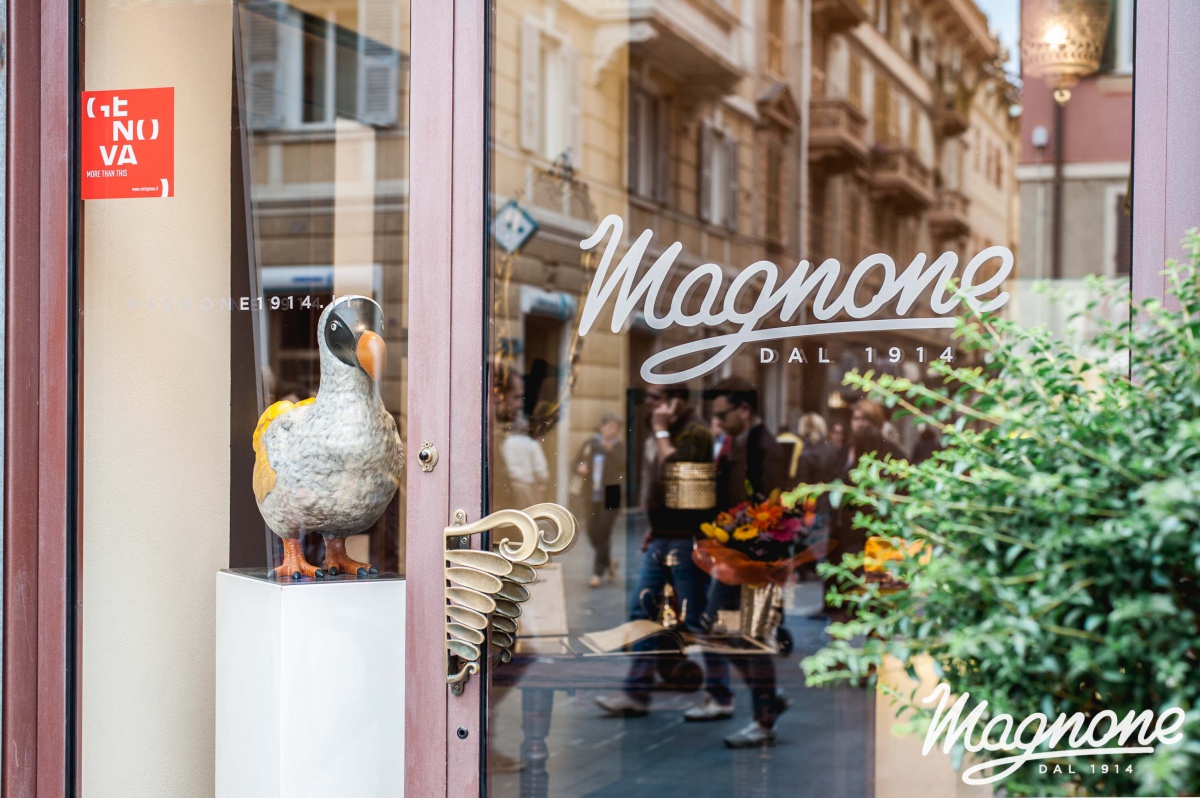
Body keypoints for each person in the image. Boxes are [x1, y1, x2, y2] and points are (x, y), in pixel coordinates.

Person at [595, 387, 714, 717]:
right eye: (647, 397)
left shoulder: (695, 432)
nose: (648, 403)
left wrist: (661, 431)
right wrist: (654, 524)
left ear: (676, 400)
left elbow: (678, 476)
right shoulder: (663, 432)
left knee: (697, 617)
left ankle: (728, 693)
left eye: (656, 397)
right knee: (642, 610)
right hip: (663, 535)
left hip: (686, 538)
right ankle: (636, 693)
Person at [685, 377, 790, 749]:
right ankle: (769, 697)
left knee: (749, 639)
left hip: (755, 562)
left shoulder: (765, 448)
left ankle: (764, 720)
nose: (717, 422)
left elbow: (771, 510)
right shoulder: (737, 444)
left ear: (744, 410)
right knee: (717, 631)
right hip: (734, 559)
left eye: (722, 414)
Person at [573, 414, 623, 587]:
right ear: (602, 427)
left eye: (615, 428)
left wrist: (610, 451)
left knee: (603, 531)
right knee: (591, 530)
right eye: (609, 426)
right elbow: (575, 463)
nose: (612, 431)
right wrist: (579, 467)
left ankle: (597, 573)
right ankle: (609, 562)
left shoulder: (618, 446)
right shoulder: (590, 444)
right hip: (591, 493)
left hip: (612, 492)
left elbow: (624, 464)